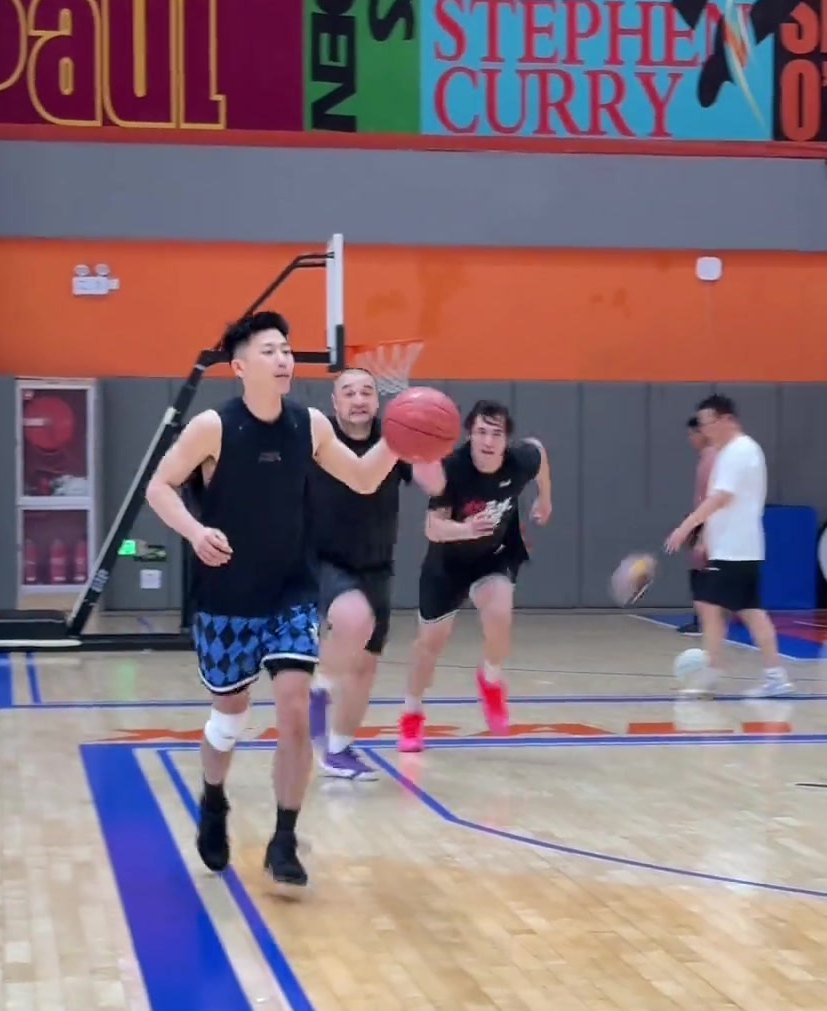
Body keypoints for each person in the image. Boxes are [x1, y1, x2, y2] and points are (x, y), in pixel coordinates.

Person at [145, 311, 402, 889]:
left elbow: (364, 478)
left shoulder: (310, 425)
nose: (283, 358)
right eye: (269, 350)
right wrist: (195, 532)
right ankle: (214, 798)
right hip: (227, 596)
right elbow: (159, 486)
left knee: (293, 707)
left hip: (291, 589)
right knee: (229, 719)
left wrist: (400, 436)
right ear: (240, 367)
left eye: (286, 349)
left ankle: (284, 839)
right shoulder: (213, 426)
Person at [307, 366, 443, 781]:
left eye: (366, 391)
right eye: (349, 392)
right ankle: (319, 686)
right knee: (353, 618)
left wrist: (429, 439)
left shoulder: (395, 436)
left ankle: (338, 750)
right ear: (335, 402)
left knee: (365, 666)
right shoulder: (321, 436)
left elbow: (435, 484)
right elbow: (359, 475)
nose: (358, 399)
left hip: (377, 563)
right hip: (321, 557)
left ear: (378, 400)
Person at [397, 400, 552, 753]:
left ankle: (491, 678)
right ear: (469, 435)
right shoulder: (451, 470)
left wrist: (545, 498)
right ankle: (411, 713)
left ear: (506, 440)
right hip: (447, 563)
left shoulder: (520, 460)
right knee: (428, 648)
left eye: (496, 434)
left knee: (500, 614)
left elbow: (540, 452)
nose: (488, 440)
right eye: (481, 432)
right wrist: (466, 529)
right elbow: (433, 528)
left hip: (493, 556)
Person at [664, 392, 792, 697]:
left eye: (709, 423)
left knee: (711, 609)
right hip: (737, 548)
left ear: (727, 419)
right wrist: (706, 539)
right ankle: (775, 676)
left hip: (735, 550)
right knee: (749, 611)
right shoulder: (734, 451)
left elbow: (721, 498)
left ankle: (711, 677)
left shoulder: (738, 452)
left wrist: (686, 527)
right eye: (702, 425)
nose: (705, 430)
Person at [679, 407, 716, 634]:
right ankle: (702, 619)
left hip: (709, 523)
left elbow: (711, 498)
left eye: (692, 434)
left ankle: (705, 621)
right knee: (700, 570)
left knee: (704, 571)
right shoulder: (706, 458)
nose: (690, 439)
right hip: (703, 521)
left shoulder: (712, 458)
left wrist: (702, 531)